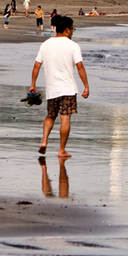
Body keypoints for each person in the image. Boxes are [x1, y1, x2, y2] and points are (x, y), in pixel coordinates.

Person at [29, 15, 90, 159]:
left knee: (51, 116)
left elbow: (37, 65)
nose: (73, 31)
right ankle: (61, 150)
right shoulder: (73, 45)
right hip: (68, 89)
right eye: (73, 29)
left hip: (52, 89)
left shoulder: (46, 44)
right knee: (65, 118)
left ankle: (44, 141)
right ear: (67, 30)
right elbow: (80, 66)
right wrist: (86, 86)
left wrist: (33, 84)